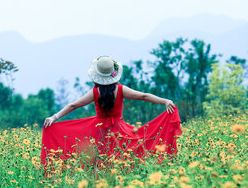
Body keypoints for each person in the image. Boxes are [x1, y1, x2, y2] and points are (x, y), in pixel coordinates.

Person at [40, 56, 182, 177]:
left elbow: (73, 105)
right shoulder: (120, 89)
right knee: (126, 155)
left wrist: (54, 117)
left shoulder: (95, 92)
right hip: (119, 130)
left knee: (97, 161)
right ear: (113, 73)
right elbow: (143, 96)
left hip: (98, 131)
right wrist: (164, 100)